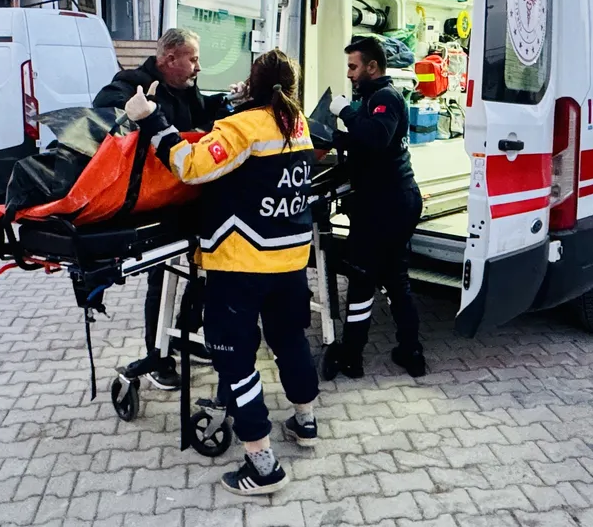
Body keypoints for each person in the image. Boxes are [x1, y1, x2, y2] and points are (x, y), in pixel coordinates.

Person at [124, 49, 319, 496]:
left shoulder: (243, 127)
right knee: (289, 341)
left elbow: (191, 166)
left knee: (233, 358)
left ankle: (262, 465)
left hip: (242, 263)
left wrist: (151, 118)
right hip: (290, 260)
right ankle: (305, 422)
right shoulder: (298, 123)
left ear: (253, 82)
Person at [92, 28, 232, 391]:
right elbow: (105, 110)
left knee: (205, 267)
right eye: (193, 59)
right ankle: (158, 355)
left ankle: (184, 333)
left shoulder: (186, 89)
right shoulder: (133, 82)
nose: (198, 67)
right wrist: (135, 110)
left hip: (186, 192)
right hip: (154, 202)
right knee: (162, 276)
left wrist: (226, 101)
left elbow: (201, 115)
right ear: (170, 59)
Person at [321, 36, 426, 380]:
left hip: (388, 204)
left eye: (353, 67)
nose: (349, 74)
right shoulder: (371, 98)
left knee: (365, 280)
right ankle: (411, 353)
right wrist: (333, 137)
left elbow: (377, 137)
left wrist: (345, 113)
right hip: (389, 202)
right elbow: (366, 143)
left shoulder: (385, 97)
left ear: (372, 66)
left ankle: (352, 357)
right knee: (395, 279)